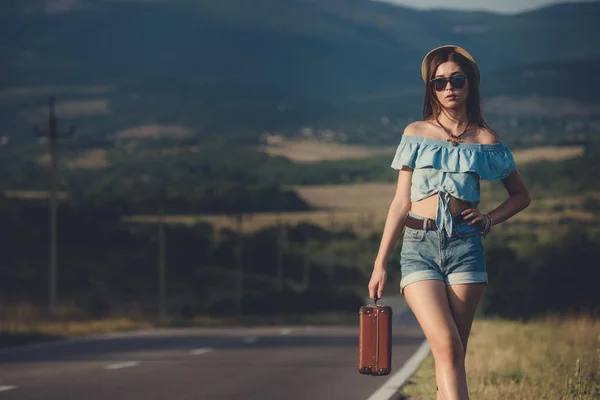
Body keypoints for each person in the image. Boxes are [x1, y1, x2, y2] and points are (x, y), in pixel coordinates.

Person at [368, 45, 531, 400]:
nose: (448, 88)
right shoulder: (416, 133)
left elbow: (521, 195)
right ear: (431, 89)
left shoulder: (485, 140)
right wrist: (380, 262)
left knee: (454, 354)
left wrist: (489, 219)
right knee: (446, 346)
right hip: (418, 247)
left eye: (456, 79)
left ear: (470, 84)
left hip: (465, 247)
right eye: (439, 82)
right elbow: (400, 201)